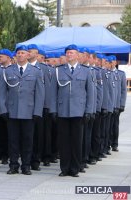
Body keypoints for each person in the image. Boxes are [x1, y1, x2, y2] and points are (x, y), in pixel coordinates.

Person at [0, 45, 45, 175]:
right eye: (18, 53)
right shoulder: (8, 71)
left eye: (23, 53)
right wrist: (3, 109)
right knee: (13, 140)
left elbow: (40, 94)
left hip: (29, 112)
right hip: (12, 111)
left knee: (28, 140)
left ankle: (26, 165)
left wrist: (37, 112)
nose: (20, 55)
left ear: (28, 55)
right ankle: (13, 165)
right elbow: (2, 92)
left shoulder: (36, 71)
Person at [56, 44, 94, 177]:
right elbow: (53, 92)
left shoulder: (86, 71)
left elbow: (91, 92)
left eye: (72, 53)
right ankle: (64, 168)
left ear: (77, 55)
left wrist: (89, 110)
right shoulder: (59, 70)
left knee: (77, 141)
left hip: (79, 111)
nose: (69, 55)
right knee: (64, 141)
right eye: (67, 53)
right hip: (63, 110)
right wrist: (54, 110)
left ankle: (75, 168)